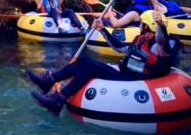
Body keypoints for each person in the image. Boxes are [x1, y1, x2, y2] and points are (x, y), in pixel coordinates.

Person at [27, 10, 182, 116]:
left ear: (148, 25)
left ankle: (56, 96)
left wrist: (161, 26)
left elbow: (163, 46)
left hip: (134, 82)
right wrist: (102, 29)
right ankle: (50, 82)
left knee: (88, 65)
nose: (140, 25)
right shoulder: (140, 39)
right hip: (125, 75)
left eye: (142, 23)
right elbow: (119, 47)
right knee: (84, 62)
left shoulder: (157, 44)